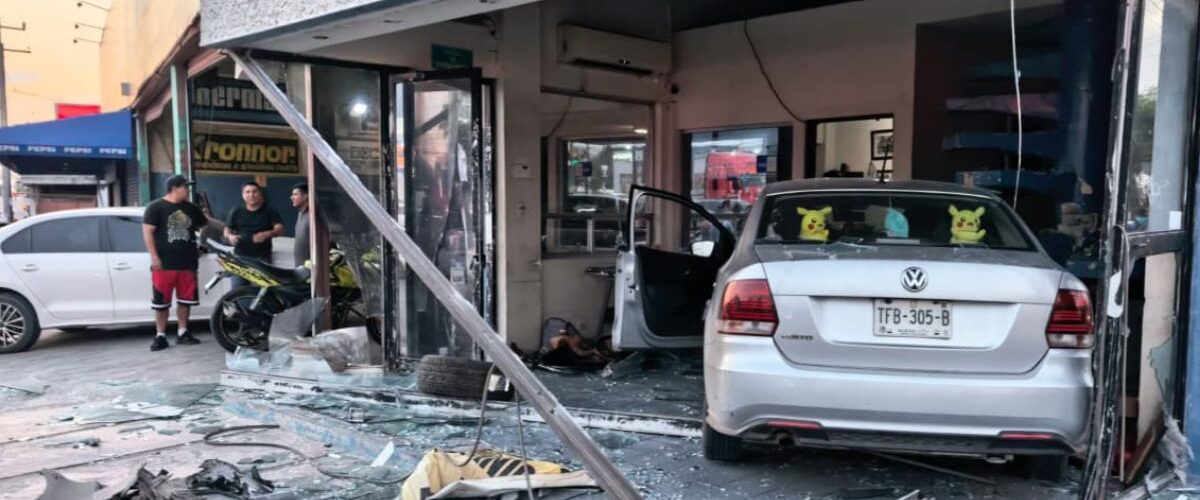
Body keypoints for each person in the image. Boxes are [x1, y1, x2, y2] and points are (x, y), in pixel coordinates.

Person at [142, 175, 208, 352]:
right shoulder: (156, 207)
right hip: (164, 264)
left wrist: (202, 243)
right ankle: (160, 335)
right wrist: (154, 257)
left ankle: (183, 332)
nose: (188, 190)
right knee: (161, 302)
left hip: (187, 263)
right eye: (185, 187)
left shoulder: (191, 209)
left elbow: (205, 224)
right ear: (175, 188)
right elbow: (148, 232)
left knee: (185, 300)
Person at [223, 181, 285, 287]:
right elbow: (226, 230)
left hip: (262, 258)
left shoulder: (270, 210)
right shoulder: (236, 211)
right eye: (247, 192)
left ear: (260, 194)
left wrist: (268, 233)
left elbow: (280, 229)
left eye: (254, 192)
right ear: (243, 195)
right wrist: (230, 236)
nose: (251, 195)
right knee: (238, 290)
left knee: (262, 292)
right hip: (240, 257)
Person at [289, 182, 327, 267]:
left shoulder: (315, 215)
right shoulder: (300, 213)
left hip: (314, 267)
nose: (292, 197)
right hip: (300, 266)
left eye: (295, 194)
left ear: (306, 196)